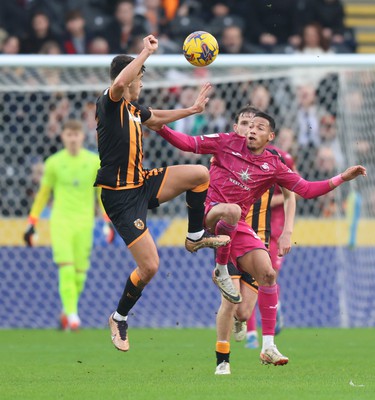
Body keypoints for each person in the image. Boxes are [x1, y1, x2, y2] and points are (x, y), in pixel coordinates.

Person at [155, 104, 367, 368]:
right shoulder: (225, 142)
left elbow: (306, 190)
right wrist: (159, 126)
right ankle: (221, 278)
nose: (252, 130)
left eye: (259, 127)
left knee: (267, 275)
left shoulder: (273, 165)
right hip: (209, 214)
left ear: (271, 137)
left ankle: (268, 347)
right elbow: (187, 143)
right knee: (231, 211)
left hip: (237, 227)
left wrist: (341, 178)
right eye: (250, 126)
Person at [94, 34, 233, 353]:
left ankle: (195, 235)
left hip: (141, 183)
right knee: (150, 267)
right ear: (129, 77)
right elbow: (119, 84)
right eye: (140, 77)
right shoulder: (110, 100)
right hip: (120, 197)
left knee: (199, 174)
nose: (141, 83)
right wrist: (145, 52)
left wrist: (193, 109)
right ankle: (118, 316)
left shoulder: (132, 108)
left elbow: (156, 118)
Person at [23, 119, 115, 331]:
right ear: (63, 137)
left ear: (82, 137)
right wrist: (32, 222)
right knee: (66, 267)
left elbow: (101, 195)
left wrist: (107, 222)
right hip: (61, 222)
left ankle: (66, 313)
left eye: (76, 135)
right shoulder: (54, 163)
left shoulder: (94, 162)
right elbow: (43, 194)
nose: (73, 139)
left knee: (80, 274)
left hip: (85, 223)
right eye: (68, 135)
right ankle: (74, 317)